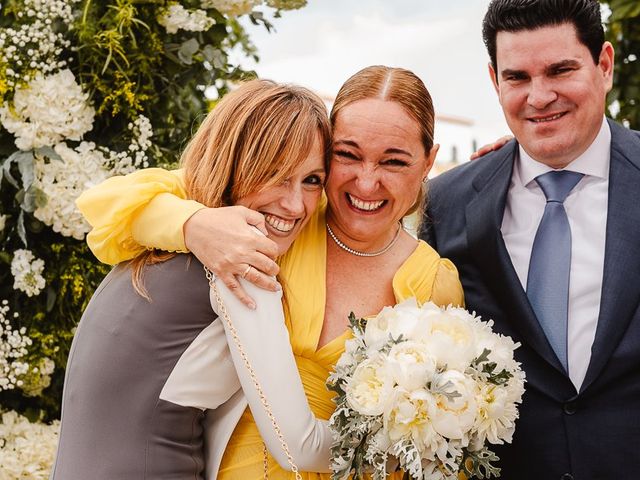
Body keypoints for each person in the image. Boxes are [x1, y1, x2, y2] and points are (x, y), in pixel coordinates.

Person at [73, 65, 465, 479]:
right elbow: (111, 203)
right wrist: (194, 226)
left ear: (428, 163)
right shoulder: (266, 226)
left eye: (394, 161)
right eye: (348, 155)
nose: (366, 183)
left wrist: (424, 437)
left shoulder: (432, 281)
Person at [52, 79, 336, 480]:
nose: (294, 204)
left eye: (312, 180)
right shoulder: (240, 258)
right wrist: (392, 438)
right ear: (235, 164)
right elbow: (298, 447)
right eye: (275, 174)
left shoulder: (160, 241)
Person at [421, 1, 640, 479]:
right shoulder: (446, 203)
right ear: (495, 81)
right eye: (517, 77)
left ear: (603, 65)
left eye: (560, 70)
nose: (539, 97)